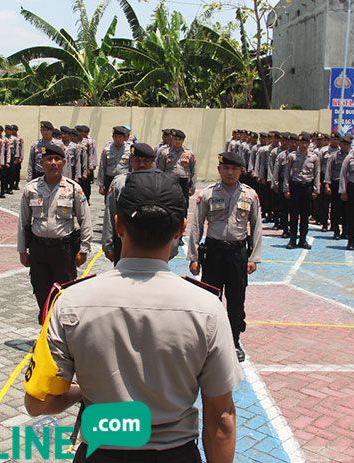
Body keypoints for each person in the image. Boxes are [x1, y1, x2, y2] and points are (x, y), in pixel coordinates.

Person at [24, 169, 242, 463]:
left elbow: (38, 401)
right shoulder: (207, 308)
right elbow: (221, 418)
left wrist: (79, 392)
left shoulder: (70, 302)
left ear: (118, 224)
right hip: (175, 454)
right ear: (181, 228)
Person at [188, 150, 262, 363]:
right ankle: (208, 341)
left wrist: (253, 258)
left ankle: (234, 340)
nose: (230, 172)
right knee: (210, 300)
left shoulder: (250, 195)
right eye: (226, 168)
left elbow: (256, 227)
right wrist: (193, 256)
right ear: (219, 169)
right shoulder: (207, 193)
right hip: (214, 253)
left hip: (238, 253)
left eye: (234, 169)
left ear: (241, 171)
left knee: (237, 299)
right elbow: (196, 225)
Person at [17, 143, 91, 324]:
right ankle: (46, 331)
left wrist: (83, 249)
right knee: (41, 292)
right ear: (42, 163)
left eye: (57, 159)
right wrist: (22, 250)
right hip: (38, 250)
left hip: (63, 250)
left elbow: (85, 219)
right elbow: (23, 221)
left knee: (64, 293)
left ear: (64, 162)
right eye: (49, 159)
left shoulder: (73, 189)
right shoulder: (32, 189)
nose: (53, 163)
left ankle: (62, 333)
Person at [102, 143, 162, 264]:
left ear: (152, 162)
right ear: (131, 161)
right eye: (137, 160)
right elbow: (110, 213)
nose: (141, 164)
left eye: (146, 161)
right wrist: (107, 244)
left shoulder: (161, 184)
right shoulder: (119, 183)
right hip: (124, 242)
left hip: (153, 242)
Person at [283, 132, 320, 249]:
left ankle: (303, 240)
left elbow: (317, 174)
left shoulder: (314, 157)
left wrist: (316, 189)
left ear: (309, 143)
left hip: (307, 188)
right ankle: (292, 240)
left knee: (305, 215)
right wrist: (286, 188)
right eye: (301, 142)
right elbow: (286, 174)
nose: (303, 145)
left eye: (305, 143)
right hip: (295, 187)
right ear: (298, 143)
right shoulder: (292, 156)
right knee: (294, 215)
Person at [324, 133, 349, 240]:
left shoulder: (352, 156)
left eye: (347, 144)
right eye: (343, 144)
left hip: (349, 185)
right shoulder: (334, 156)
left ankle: (346, 231)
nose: (345, 146)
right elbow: (328, 171)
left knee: (347, 209)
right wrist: (327, 185)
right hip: (336, 184)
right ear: (340, 144)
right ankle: (336, 230)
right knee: (336, 209)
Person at [97, 126, 131, 197]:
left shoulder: (129, 149)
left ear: (124, 138)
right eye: (116, 137)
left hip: (123, 179)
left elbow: (132, 166)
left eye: (120, 137)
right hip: (110, 179)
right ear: (112, 137)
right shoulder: (107, 149)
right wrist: (101, 185)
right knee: (108, 199)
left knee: (122, 199)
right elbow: (102, 166)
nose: (118, 139)